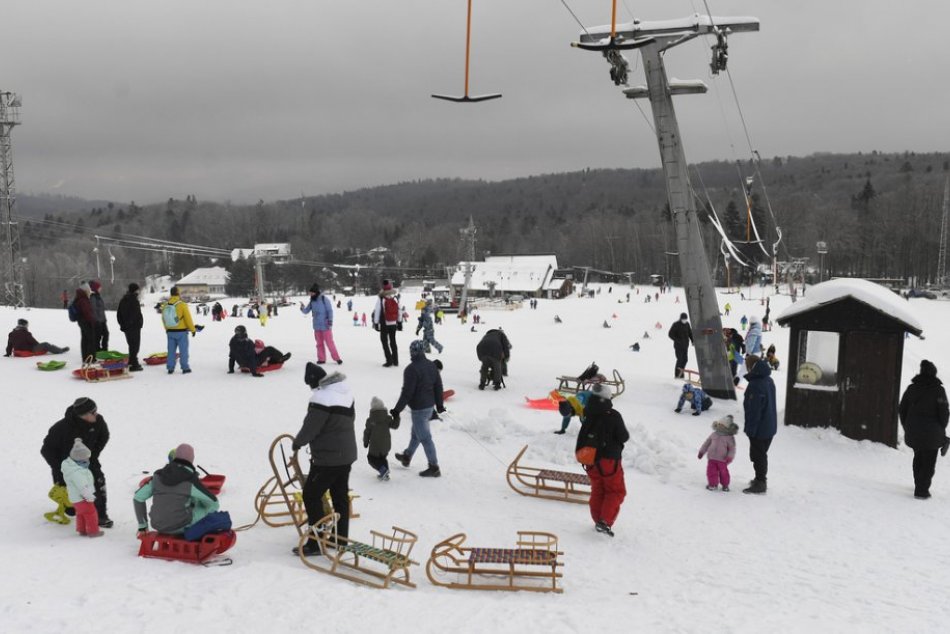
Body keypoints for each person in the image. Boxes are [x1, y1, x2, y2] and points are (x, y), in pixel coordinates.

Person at [292, 363, 357, 556]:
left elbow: (311, 427)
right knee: (340, 497)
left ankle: (314, 543)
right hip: (346, 455)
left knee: (311, 495)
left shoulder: (322, 398)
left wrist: (298, 442)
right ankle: (339, 538)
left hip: (328, 458)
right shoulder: (345, 394)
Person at [41, 397, 112, 528]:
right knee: (71, 507)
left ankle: (101, 516)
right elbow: (47, 450)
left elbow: (104, 436)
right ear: (83, 415)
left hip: (88, 461)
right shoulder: (61, 428)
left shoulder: (98, 421)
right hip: (66, 466)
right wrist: (60, 469)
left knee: (98, 482)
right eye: (93, 412)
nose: (96, 414)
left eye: (96, 410)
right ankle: (72, 508)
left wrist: (93, 454)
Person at [133, 444, 226, 538]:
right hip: (181, 526)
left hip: (157, 524)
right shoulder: (190, 479)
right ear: (192, 459)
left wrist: (142, 526)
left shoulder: (158, 476)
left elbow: (138, 498)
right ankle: (197, 530)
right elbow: (214, 503)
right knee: (203, 505)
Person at [576, 383, 629, 537]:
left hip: (590, 459)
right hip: (609, 460)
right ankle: (604, 521)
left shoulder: (588, 412)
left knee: (598, 489)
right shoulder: (613, 415)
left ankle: (598, 519)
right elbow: (624, 437)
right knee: (615, 490)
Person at [392, 340, 445, 477]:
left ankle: (434, 467)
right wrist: (439, 405)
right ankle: (407, 456)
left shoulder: (411, 369)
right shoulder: (431, 365)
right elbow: (438, 386)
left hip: (419, 409)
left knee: (425, 438)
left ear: (413, 352)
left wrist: (397, 410)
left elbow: (407, 393)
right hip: (429, 407)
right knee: (416, 434)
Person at [899, 360, 950, 500]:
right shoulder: (939, 390)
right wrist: (941, 427)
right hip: (933, 433)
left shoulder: (912, 388)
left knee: (918, 457)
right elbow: (944, 412)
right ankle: (921, 490)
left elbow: (902, 409)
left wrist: (907, 426)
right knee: (929, 461)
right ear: (934, 373)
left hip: (914, 431)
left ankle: (919, 483)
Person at [742, 356, 777, 494]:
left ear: (751, 367)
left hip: (760, 428)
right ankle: (759, 479)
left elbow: (754, 410)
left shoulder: (755, 384)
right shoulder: (768, 380)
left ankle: (761, 482)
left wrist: (751, 430)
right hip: (769, 425)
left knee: (758, 455)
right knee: (760, 454)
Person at [61, 439, 102, 537]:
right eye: (85, 459)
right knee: (91, 513)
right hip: (83, 498)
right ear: (79, 459)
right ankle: (93, 532)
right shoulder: (77, 472)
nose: (87, 461)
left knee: (81, 514)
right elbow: (83, 486)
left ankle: (82, 530)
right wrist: (89, 496)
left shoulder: (72, 468)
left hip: (76, 499)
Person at [300, 283, 342, 365]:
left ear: (316, 292)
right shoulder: (312, 301)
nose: (310, 294)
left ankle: (337, 358)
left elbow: (330, 311)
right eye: (310, 293)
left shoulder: (324, 299)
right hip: (316, 326)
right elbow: (306, 311)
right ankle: (321, 359)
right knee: (319, 344)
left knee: (329, 343)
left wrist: (330, 321)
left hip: (325, 325)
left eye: (312, 293)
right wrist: (302, 308)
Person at [697, 415, 739, 491]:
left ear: (726, 427)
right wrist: (701, 451)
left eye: (722, 424)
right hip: (711, 458)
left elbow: (732, 449)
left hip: (722, 459)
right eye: (719, 424)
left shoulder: (729, 437)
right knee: (711, 472)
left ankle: (725, 485)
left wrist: (730, 457)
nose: (720, 425)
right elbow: (706, 443)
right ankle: (712, 484)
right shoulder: (714, 434)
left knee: (723, 473)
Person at [161, 286, 196, 374]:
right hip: (181, 332)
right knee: (183, 351)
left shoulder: (165, 305)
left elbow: (164, 318)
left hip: (170, 331)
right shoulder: (182, 304)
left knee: (171, 351)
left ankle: (170, 368)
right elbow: (188, 319)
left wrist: (167, 329)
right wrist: (192, 329)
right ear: (178, 293)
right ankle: (185, 368)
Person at [363, 397, 398, 481]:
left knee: (371, 459)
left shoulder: (370, 420)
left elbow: (367, 432)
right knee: (382, 458)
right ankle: (385, 474)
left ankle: (383, 471)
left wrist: (365, 442)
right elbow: (395, 425)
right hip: (386, 445)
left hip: (375, 445)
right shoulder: (387, 418)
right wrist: (397, 417)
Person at [372, 280, 403, 367]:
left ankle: (389, 360)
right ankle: (395, 360)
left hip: (385, 323)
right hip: (393, 323)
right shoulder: (395, 297)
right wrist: (399, 322)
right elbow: (399, 310)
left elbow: (377, 311)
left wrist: (376, 323)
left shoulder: (381, 298)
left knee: (384, 342)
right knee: (393, 341)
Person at [116, 283, 144, 371]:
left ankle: (132, 361)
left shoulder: (123, 300)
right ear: (135, 290)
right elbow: (136, 315)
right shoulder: (134, 300)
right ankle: (133, 364)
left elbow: (119, 314)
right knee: (135, 346)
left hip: (127, 327)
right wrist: (137, 323)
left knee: (131, 345)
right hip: (134, 327)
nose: (138, 291)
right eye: (138, 290)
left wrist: (122, 324)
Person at [5, 318, 69, 356]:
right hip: (28, 349)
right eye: (27, 325)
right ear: (24, 325)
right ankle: (60, 351)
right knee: (46, 344)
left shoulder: (11, 333)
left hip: (17, 350)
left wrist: (8, 353)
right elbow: (34, 342)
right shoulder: (25, 333)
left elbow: (9, 345)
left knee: (43, 345)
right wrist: (40, 346)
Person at [72, 282, 97, 361]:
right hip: (86, 322)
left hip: (82, 321)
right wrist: (92, 320)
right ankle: (91, 359)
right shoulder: (83, 299)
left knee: (85, 339)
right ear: (85, 290)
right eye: (88, 290)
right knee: (90, 340)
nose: (89, 291)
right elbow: (87, 312)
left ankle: (85, 358)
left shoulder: (79, 297)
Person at [668, 312, 693, 379]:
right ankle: (677, 375)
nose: (684, 320)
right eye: (683, 319)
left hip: (685, 346)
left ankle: (681, 373)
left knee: (685, 360)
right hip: (678, 346)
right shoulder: (676, 324)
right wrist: (677, 340)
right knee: (680, 359)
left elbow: (690, 333)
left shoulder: (687, 324)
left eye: (685, 319)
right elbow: (670, 334)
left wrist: (692, 341)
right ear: (680, 319)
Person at [89, 280, 109, 352]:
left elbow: (101, 308)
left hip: (102, 320)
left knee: (106, 334)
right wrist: (96, 321)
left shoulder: (98, 296)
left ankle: (104, 349)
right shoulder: (93, 297)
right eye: (99, 288)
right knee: (98, 336)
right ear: (95, 289)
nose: (101, 289)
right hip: (97, 321)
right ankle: (97, 350)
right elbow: (93, 310)